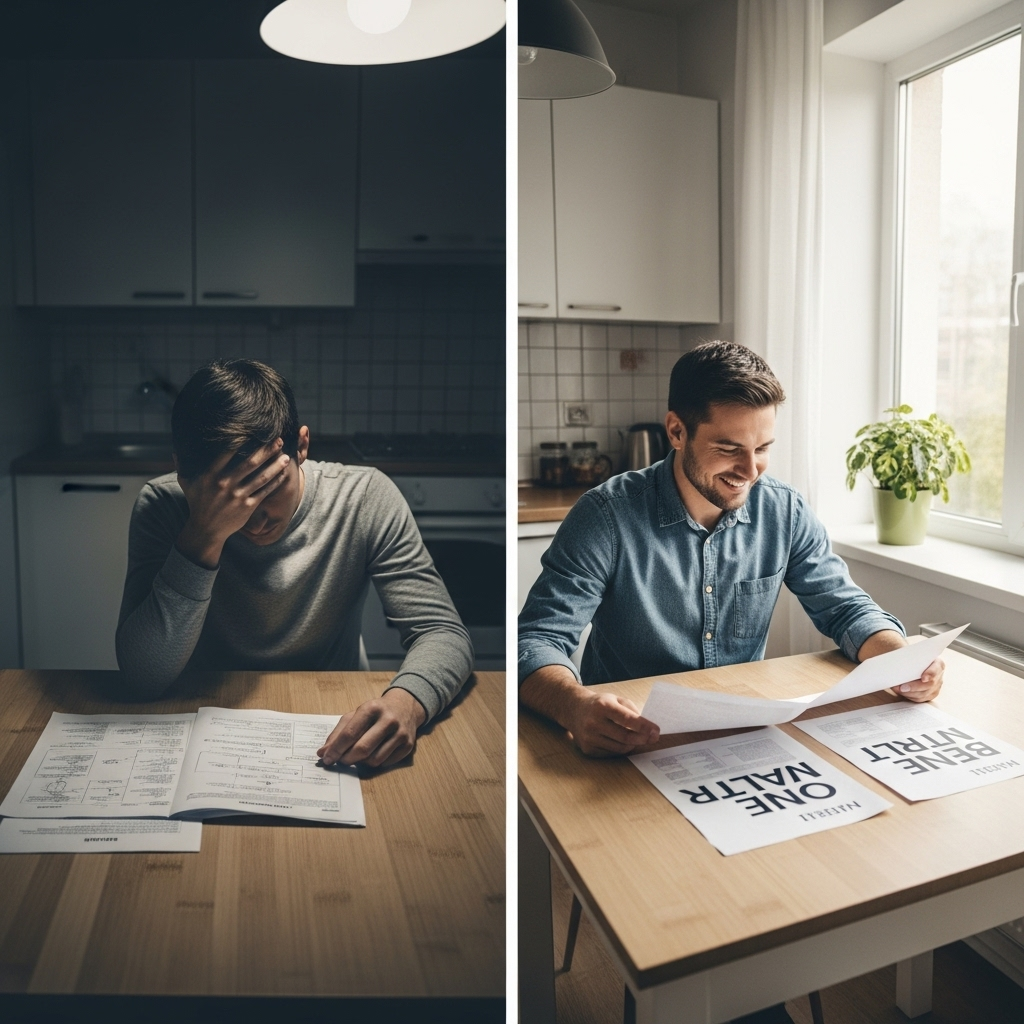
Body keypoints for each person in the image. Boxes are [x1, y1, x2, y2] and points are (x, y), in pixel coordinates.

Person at [518, 340, 944, 758]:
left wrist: (903, 662)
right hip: (632, 739)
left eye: (762, 449)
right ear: (677, 431)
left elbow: (846, 609)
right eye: (729, 449)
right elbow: (536, 639)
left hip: (742, 735)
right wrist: (574, 705)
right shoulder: (605, 516)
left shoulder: (785, 510)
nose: (749, 470)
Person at [117, 359, 473, 768]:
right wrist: (204, 535)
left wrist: (409, 702)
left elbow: (442, 631)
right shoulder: (162, 505)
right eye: (227, 498)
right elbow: (142, 677)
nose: (252, 518)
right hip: (200, 720)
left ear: (301, 446)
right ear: (182, 472)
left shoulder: (365, 497)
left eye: (267, 489)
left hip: (332, 720)